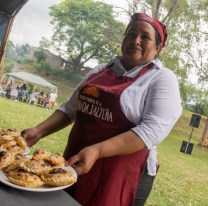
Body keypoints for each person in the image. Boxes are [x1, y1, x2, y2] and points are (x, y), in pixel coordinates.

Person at [21, 13, 182, 206]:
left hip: (122, 173)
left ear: (157, 47)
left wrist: (97, 151)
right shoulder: (99, 70)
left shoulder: (161, 78)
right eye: (130, 34)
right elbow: (71, 108)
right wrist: (39, 131)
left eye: (145, 37)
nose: (136, 41)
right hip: (77, 160)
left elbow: (153, 130)